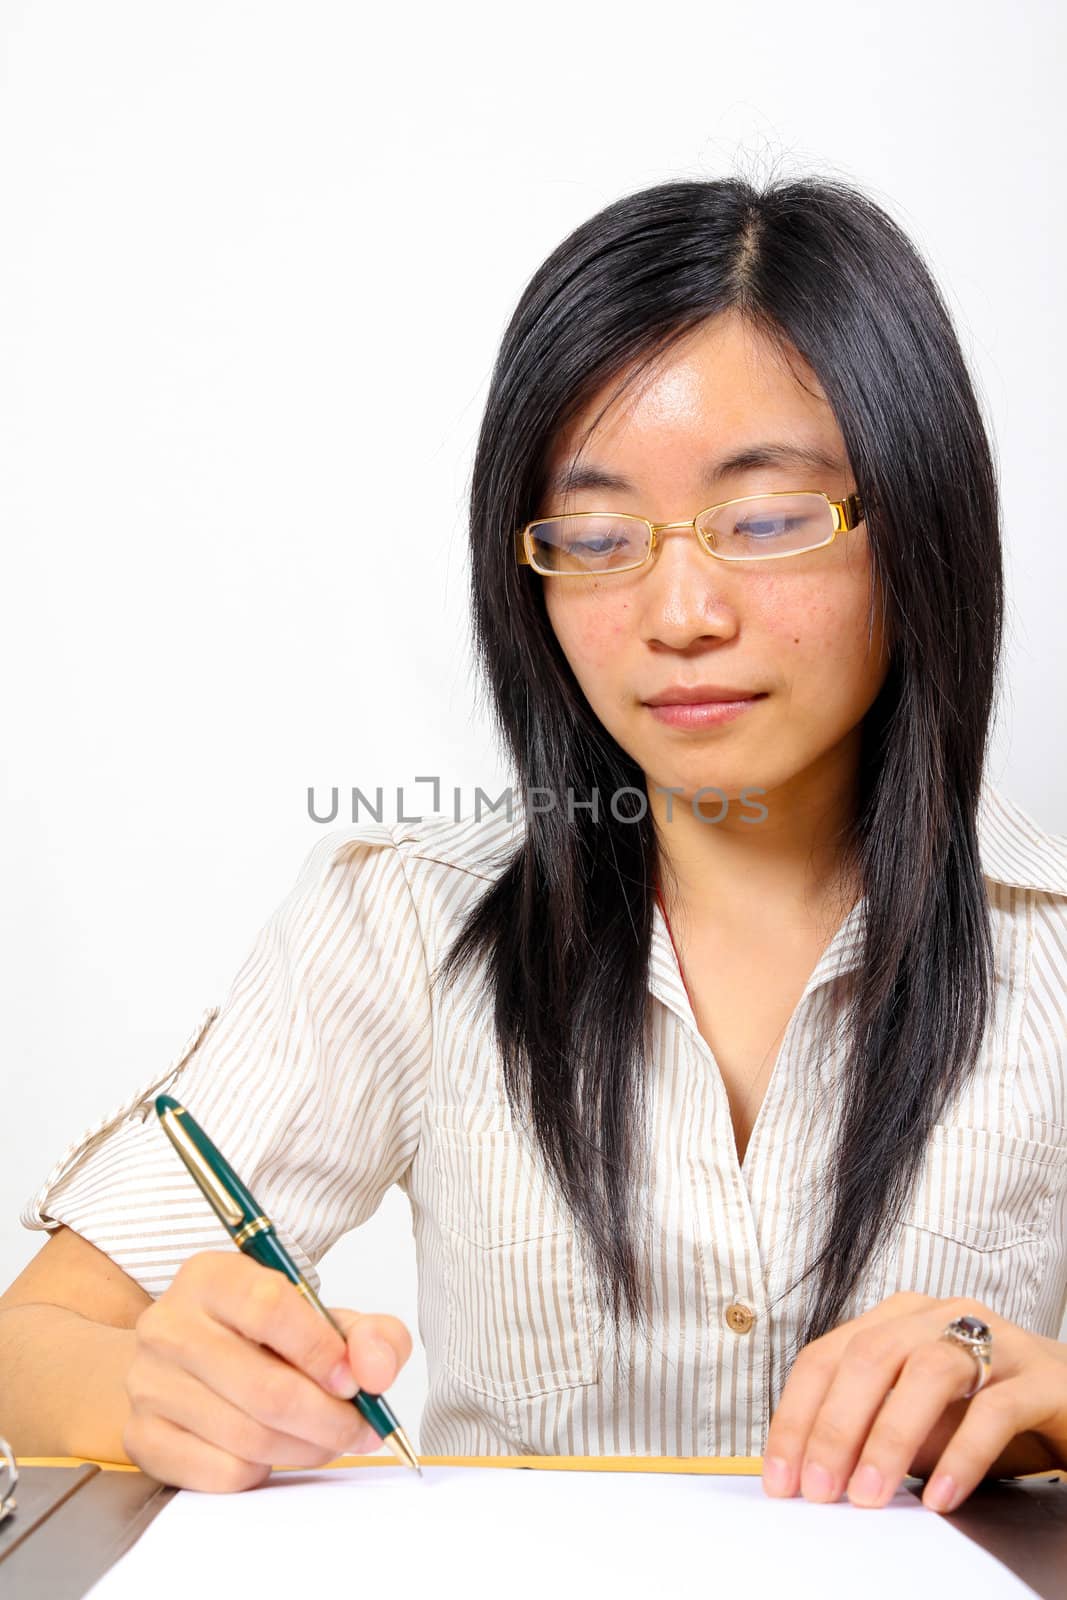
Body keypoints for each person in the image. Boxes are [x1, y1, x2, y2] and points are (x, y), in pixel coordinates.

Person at [2, 174, 1065, 1514]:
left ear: (919, 525)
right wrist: (153, 1387)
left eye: (766, 520)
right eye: (599, 535)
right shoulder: (404, 921)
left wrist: (1048, 1399)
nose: (680, 611)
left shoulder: (1053, 944)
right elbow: (30, 1346)